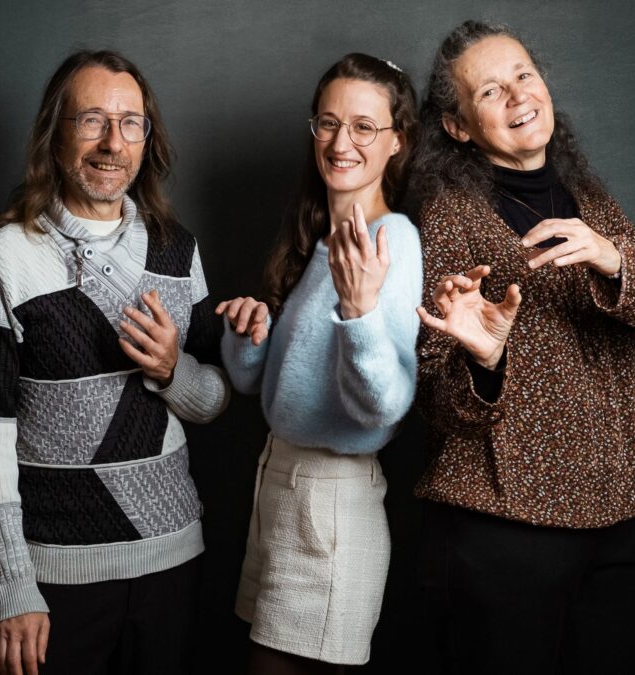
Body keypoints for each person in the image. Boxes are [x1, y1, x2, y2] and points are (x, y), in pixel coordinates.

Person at [412, 20, 635, 674]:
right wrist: (486, 360)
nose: (518, 95)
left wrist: (610, 255)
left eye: (524, 75)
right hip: (505, 529)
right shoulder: (450, 217)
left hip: (618, 517)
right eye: (490, 90)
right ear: (458, 126)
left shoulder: (588, 201)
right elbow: (434, 399)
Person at [0, 49, 228, 675]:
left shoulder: (176, 249)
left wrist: (172, 371)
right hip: (55, 578)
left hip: (173, 561)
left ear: (147, 139)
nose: (112, 142)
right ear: (55, 135)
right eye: (92, 120)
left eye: (130, 123)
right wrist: (12, 584)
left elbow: (214, 400)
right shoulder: (2, 260)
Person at [216, 53, 422, 673]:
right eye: (328, 123)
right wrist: (249, 331)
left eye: (364, 127)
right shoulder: (320, 241)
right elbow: (254, 384)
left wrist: (359, 312)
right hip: (279, 491)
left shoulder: (391, 241)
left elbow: (384, 407)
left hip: (330, 509)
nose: (340, 142)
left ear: (396, 141)